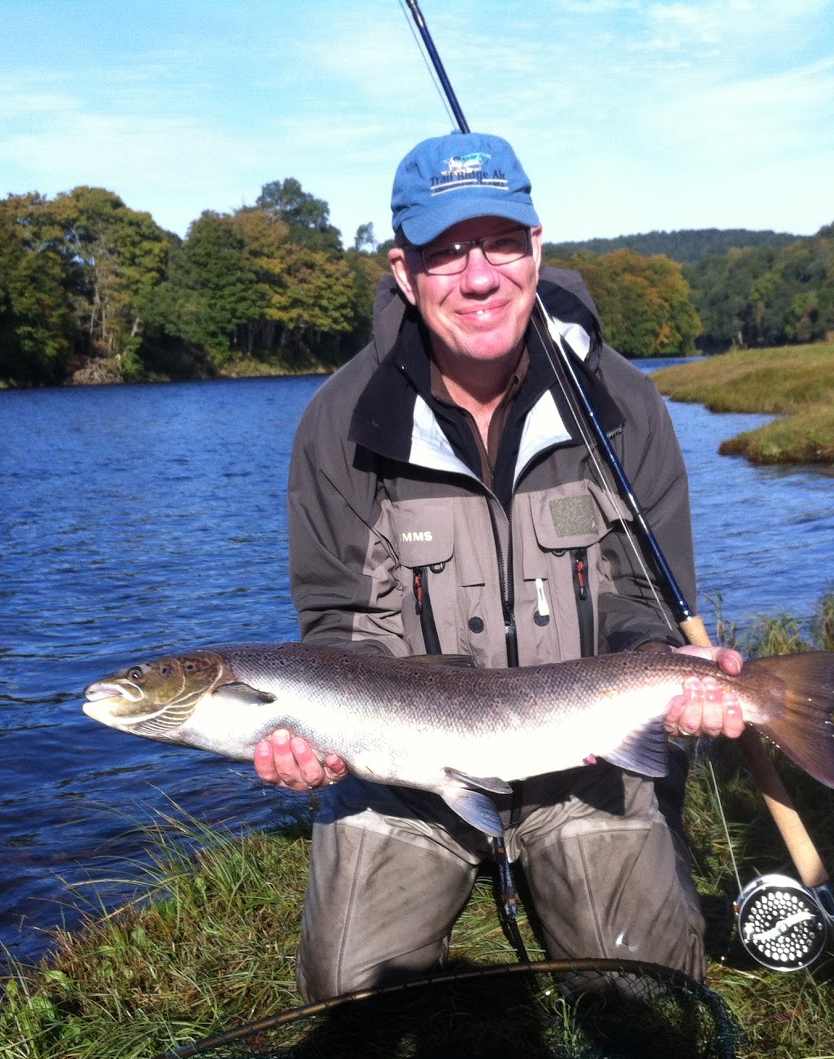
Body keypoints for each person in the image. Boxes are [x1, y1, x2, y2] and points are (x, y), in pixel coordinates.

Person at [254, 131, 743, 1002]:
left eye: (501, 243)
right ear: (405, 274)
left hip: (582, 761)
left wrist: (676, 677)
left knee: (645, 995)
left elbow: (646, 603)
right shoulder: (341, 424)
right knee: (348, 993)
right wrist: (316, 736)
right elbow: (333, 629)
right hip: (408, 773)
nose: (479, 278)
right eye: (445, 252)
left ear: (537, 247)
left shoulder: (623, 405)